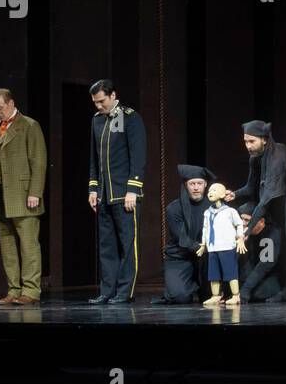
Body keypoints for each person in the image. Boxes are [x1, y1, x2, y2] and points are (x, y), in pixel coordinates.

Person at [86, 79, 147, 304]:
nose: (98, 106)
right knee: (107, 245)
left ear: (112, 96)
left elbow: (138, 156)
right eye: (95, 102)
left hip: (125, 194)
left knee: (127, 245)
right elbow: (94, 158)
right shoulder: (97, 120)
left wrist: (133, 188)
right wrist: (93, 188)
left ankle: (124, 292)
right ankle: (107, 291)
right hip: (104, 194)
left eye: (101, 101)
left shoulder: (129, 117)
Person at [0, 89, 47, 306]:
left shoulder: (29, 125)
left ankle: (31, 291)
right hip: (2, 196)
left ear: (11, 103)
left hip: (23, 195)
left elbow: (38, 161)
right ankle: (13, 289)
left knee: (28, 245)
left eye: (0, 107)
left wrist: (35, 192)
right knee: (8, 245)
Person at [228, 120, 286, 302]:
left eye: (252, 141)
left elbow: (266, 198)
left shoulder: (277, 156)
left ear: (265, 139)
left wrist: (248, 230)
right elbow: (252, 188)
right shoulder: (255, 158)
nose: (248, 146)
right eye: (245, 142)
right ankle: (253, 290)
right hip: (273, 210)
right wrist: (234, 194)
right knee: (272, 252)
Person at [156, 164, 215, 305]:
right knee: (180, 297)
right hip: (180, 258)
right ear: (185, 185)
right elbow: (181, 237)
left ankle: (198, 286)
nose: (196, 187)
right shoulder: (174, 208)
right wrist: (201, 248)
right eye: (192, 184)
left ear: (205, 184)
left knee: (210, 297)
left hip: (206, 259)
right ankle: (182, 286)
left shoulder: (213, 207)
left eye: (199, 183)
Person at [199, 182, 247, 306]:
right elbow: (205, 228)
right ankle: (215, 296)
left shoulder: (230, 211)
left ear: (222, 194)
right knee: (213, 273)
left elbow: (239, 224)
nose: (210, 193)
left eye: (214, 190)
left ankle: (236, 295)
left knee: (230, 271)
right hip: (213, 247)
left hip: (226, 246)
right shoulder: (207, 213)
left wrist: (240, 238)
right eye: (209, 190)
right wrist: (203, 244)